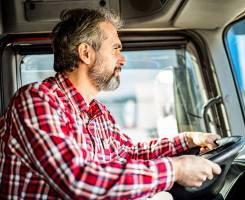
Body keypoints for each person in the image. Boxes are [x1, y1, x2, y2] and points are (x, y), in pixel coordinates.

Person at [0, 8, 221, 199]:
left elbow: (130, 153)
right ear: (86, 53)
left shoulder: (98, 114)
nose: (122, 59)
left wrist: (189, 139)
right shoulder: (37, 100)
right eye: (116, 48)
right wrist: (177, 169)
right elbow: (78, 181)